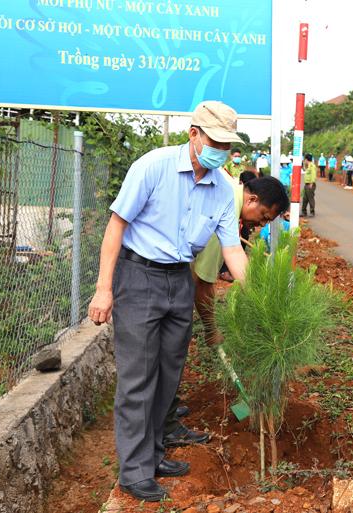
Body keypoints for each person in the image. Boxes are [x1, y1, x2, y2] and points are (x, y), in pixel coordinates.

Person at [87, 101, 248, 502]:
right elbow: (116, 225)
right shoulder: (153, 167)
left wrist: (259, 295)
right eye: (216, 141)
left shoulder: (224, 188)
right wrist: (104, 288)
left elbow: (232, 250)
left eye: (228, 146)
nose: (221, 151)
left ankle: (154, 453)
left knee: (169, 373)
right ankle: (134, 470)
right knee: (139, 376)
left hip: (180, 279)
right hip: (138, 276)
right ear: (194, 134)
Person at [165, 176, 289, 449]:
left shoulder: (227, 194)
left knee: (172, 348)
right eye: (264, 216)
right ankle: (166, 422)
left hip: (169, 275)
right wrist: (211, 328)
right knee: (171, 349)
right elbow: (202, 283)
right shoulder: (224, 210)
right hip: (166, 279)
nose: (262, 224)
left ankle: (167, 409)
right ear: (252, 199)